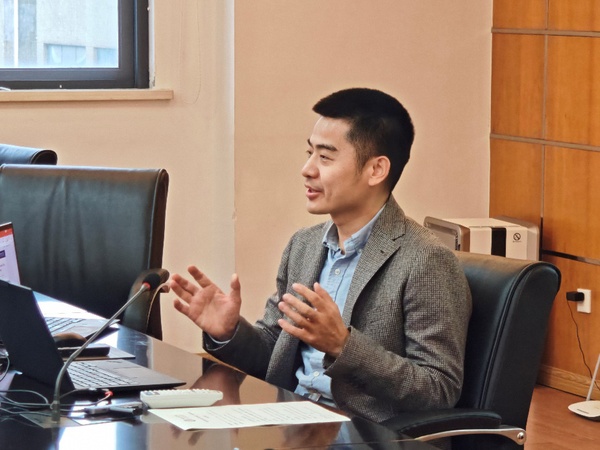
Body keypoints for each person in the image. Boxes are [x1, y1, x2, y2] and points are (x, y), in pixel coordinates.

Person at [170, 87, 472, 424]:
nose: (307, 169)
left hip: (364, 435)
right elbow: (273, 353)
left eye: (325, 157)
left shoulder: (425, 260)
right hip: (290, 422)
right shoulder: (304, 245)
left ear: (376, 170)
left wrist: (344, 346)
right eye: (309, 153)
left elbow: (438, 389)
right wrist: (228, 332)